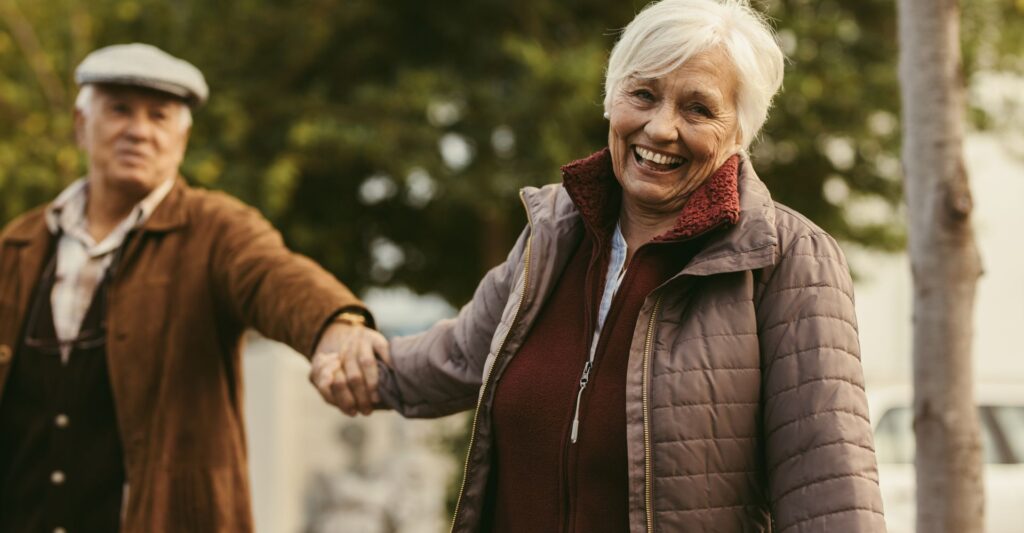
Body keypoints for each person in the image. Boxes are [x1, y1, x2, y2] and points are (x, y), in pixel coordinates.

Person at [313, 0, 889, 531]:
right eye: (643, 95)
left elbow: (829, 491)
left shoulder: (787, 260)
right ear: (612, 98)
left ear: (739, 131)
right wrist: (350, 356)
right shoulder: (557, 228)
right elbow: (463, 352)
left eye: (697, 108)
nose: (661, 128)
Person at [0, 43, 388, 532]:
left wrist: (336, 325)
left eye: (159, 116)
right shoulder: (18, 244)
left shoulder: (216, 229)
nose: (139, 131)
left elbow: (275, 275)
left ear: (181, 139)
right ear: (81, 125)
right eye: (120, 109)